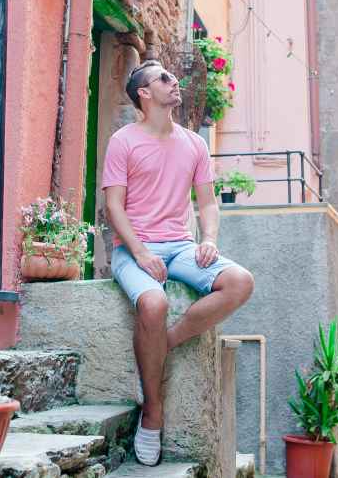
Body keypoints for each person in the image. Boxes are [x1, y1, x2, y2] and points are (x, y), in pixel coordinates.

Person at [102, 59, 255, 466]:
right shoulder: (124, 141)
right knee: (154, 304)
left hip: (183, 246)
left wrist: (209, 240)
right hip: (134, 248)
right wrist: (140, 253)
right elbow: (113, 206)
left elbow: (206, 203)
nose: (175, 83)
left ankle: (163, 345)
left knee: (240, 281)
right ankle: (152, 414)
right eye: (164, 79)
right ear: (145, 95)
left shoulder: (195, 143)